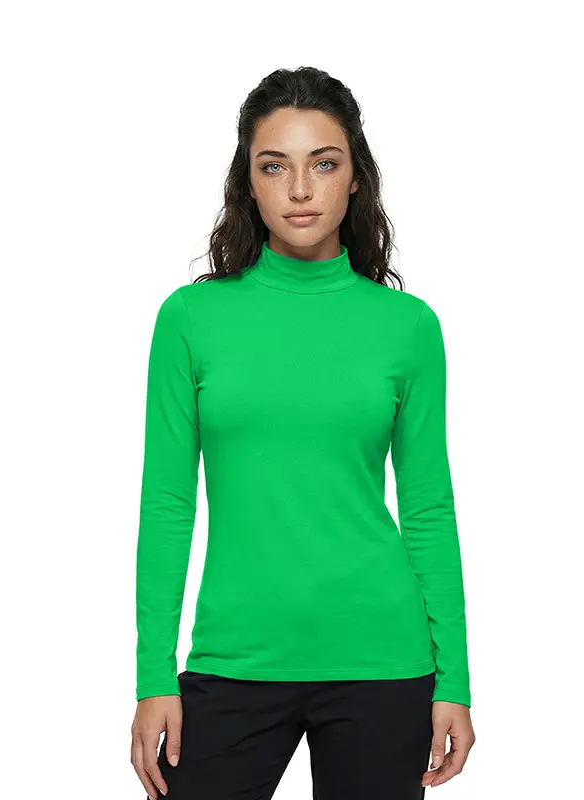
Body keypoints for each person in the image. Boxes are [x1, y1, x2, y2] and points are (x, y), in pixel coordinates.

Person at [130, 66, 476, 799]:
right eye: (273, 166)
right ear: (247, 184)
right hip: (235, 657)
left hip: (382, 660)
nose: (299, 189)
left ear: (355, 179)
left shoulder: (408, 327)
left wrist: (455, 680)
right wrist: (153, 675)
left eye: (323, 164)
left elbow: (427, 508)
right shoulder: (190, 320)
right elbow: (167, 503)